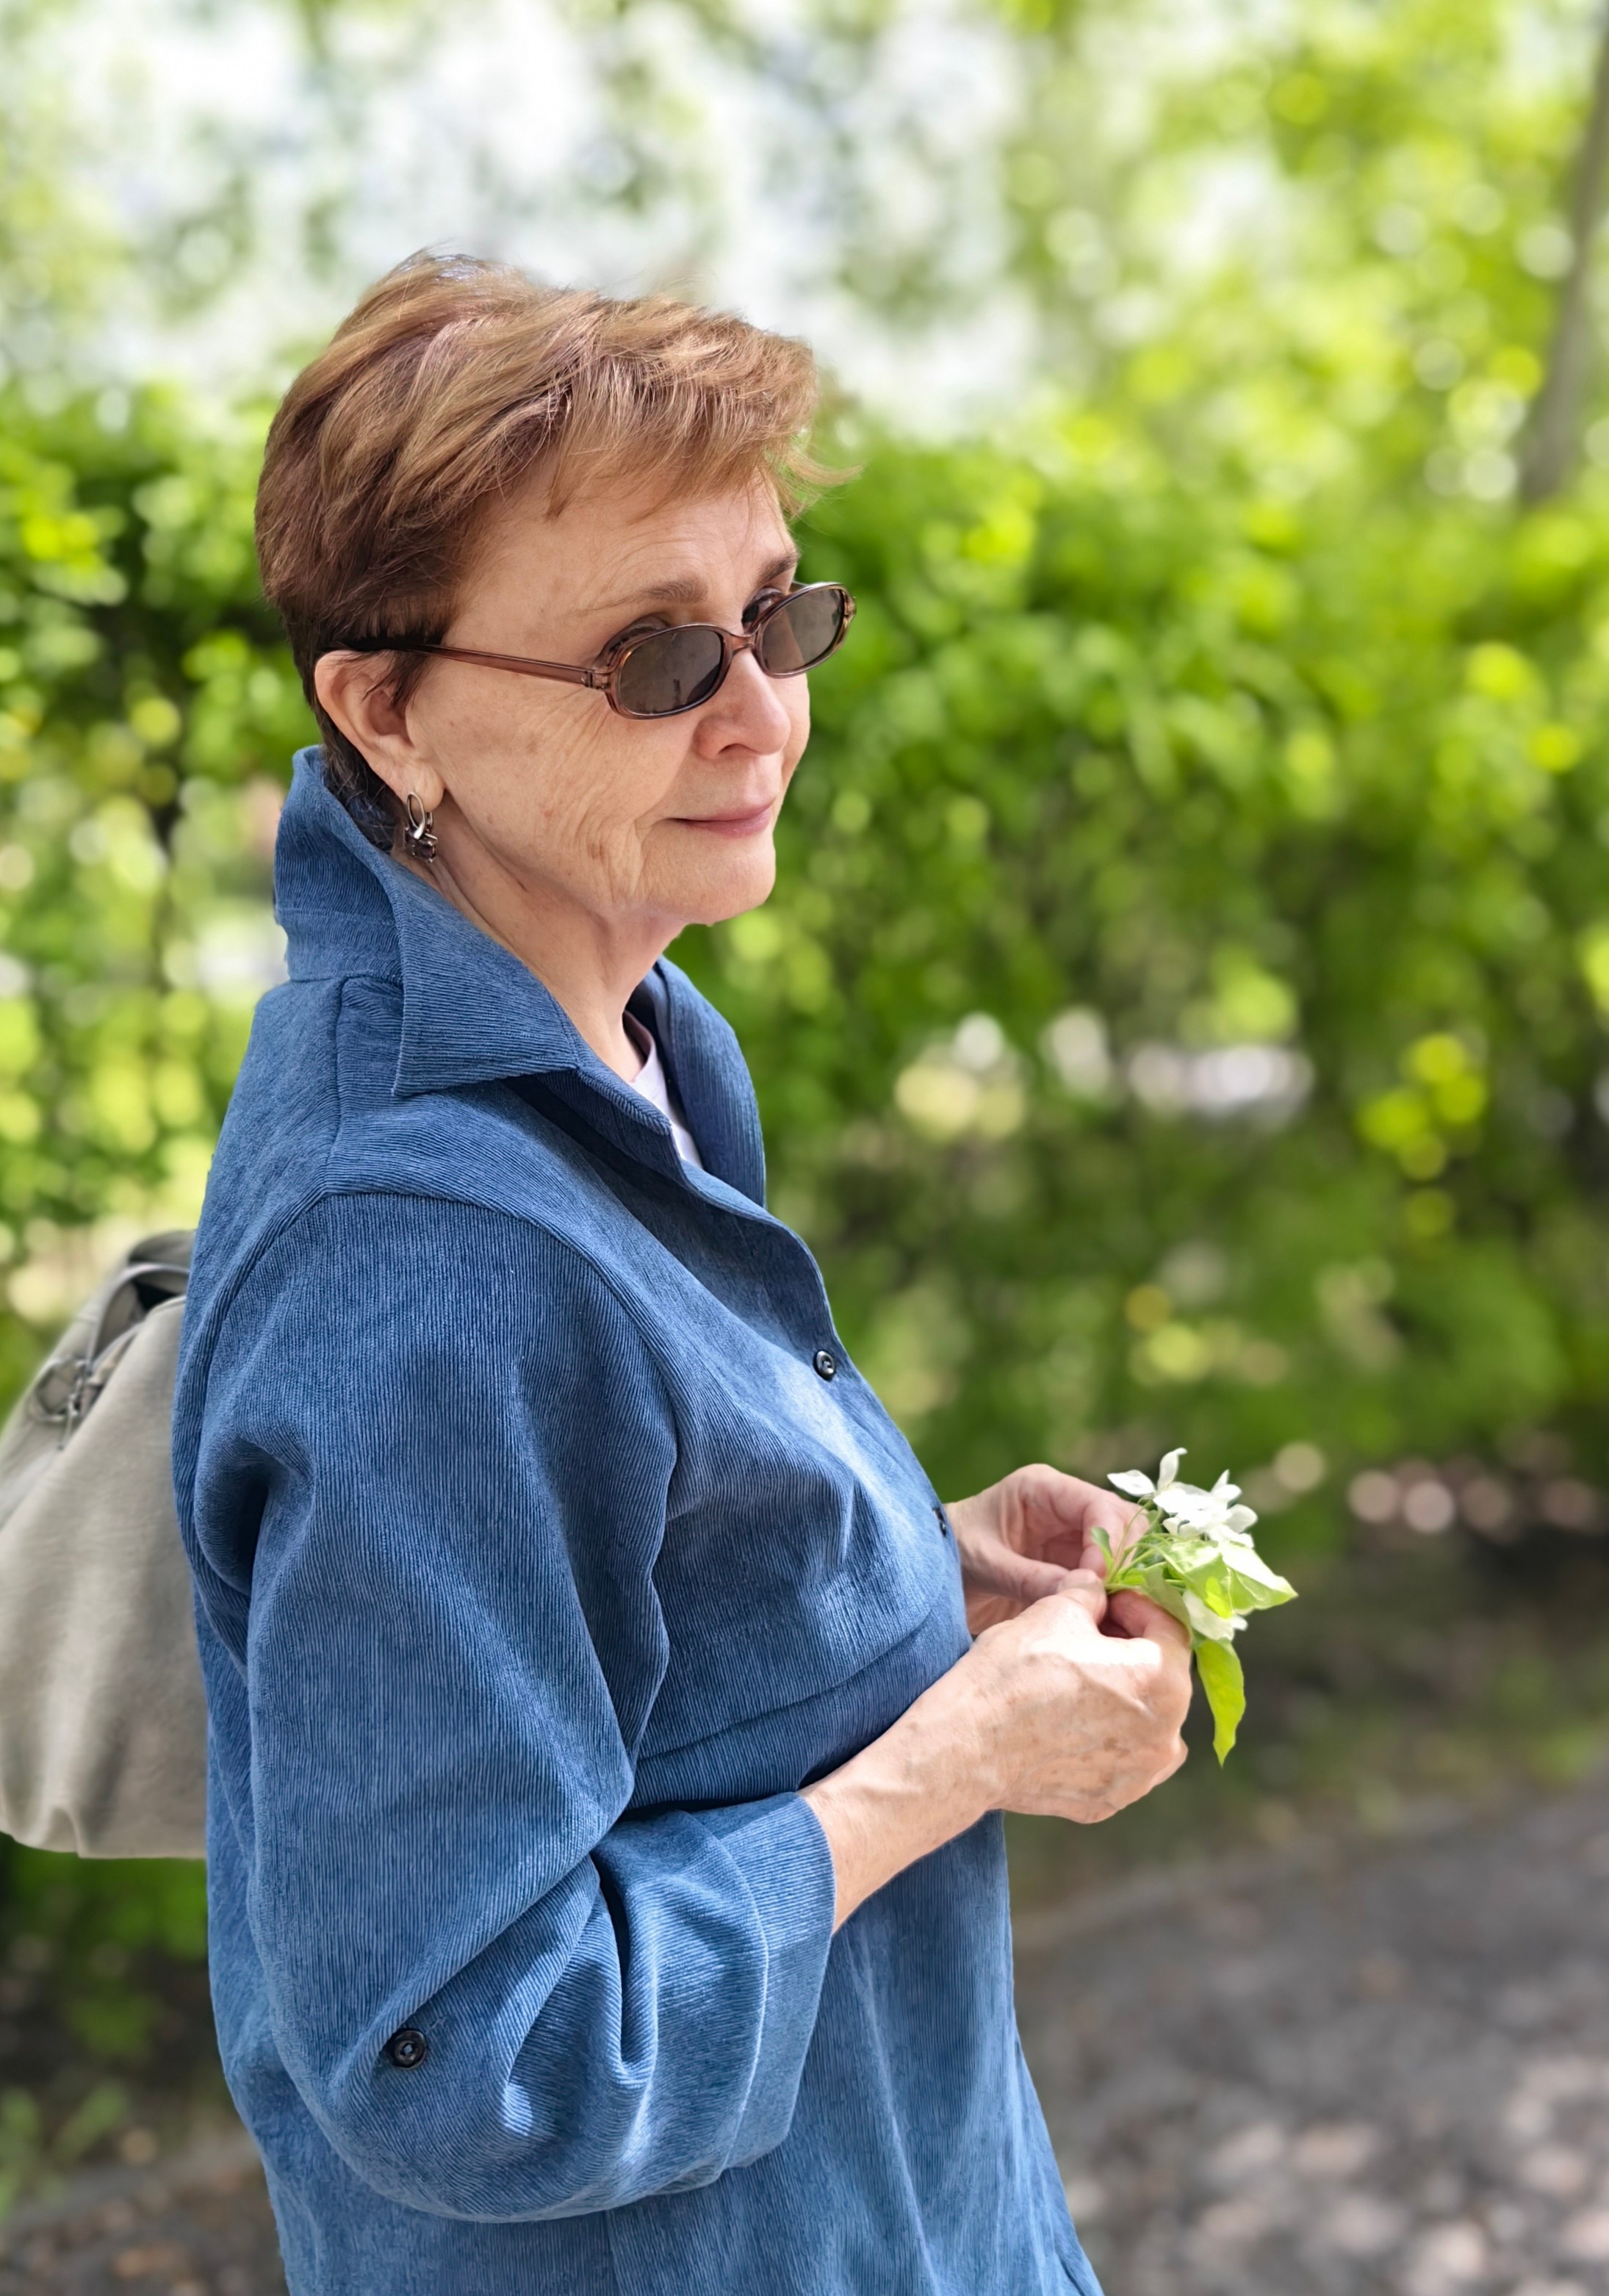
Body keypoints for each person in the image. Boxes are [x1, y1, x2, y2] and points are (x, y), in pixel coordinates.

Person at [172, 251, 1192, 2296]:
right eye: (656, 659)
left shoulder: (628, 1035)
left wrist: (907, 1565)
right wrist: (960, 1753)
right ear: (387, 709)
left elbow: (627, 1611)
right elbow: (461, 2053)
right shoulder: (429, 1257)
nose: (763, 713)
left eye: (779, 616)